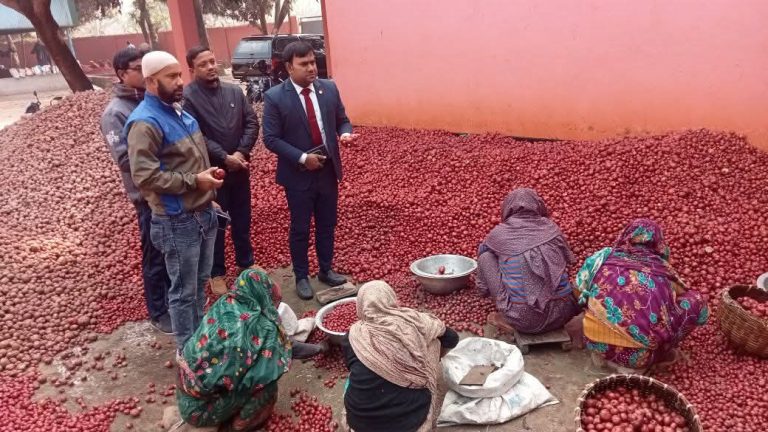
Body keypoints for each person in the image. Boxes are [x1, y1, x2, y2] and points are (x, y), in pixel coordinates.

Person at [125, 50, 224, 350]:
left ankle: (199, 342)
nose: (180, 81)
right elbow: (145, 177)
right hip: (176, 219)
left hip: (202, 212)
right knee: (183, 291)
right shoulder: (144, 123)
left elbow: (190, 163)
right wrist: (196, 182)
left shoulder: (181, 112)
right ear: (151, 81)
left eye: (180, 74)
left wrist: (208, 194)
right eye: (172, 77)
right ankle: (188, 352)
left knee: (199, 283)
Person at [263, 41, 359, 300]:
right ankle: (302, 276)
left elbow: (342, 119)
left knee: (327, 223)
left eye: (312, 62)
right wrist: (303, 158)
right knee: (301, 228)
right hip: (298, 176)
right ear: (288, 67)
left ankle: (326, 270)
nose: (311, 68)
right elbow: (270, 138)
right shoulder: (275, 98)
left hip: (327, 171)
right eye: (303, 64)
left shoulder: (328, 88)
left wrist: (346, 134)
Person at [100, 47, 172, 334]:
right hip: (147, 197)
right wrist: (170, 163)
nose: (144, 72)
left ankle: (173, 301)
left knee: (170, 252)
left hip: (169, 190)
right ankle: (159, 311)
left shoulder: (153, 102)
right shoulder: (115, 113)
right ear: (121, 74)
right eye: (137, 68)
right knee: (154, 255)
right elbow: (126, 160)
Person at [576, 218, 709, 373]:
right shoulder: (662, 269)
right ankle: (653, 345)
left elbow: (578, 290)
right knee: (697, 301)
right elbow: (685, 295)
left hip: (594, 342)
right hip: (639, 357)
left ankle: (608, 342)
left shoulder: (601, 257)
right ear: (658, 243)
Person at [183, 46, 260, 296]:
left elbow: (251, 121)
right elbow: (197, 136)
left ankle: (246, 263)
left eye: (213, 61)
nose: (211, 67)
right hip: (211, 174)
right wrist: (225, 157)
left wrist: (241, 152)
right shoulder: (188, 99)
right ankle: (216, 273)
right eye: (203, 64)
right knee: (215, 223)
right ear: (192, 69)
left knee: (242, 219)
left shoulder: (234, 91)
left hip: (240, 169)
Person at [175, 269, 292, 431]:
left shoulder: (225, 303)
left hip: (185, 397)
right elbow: (265, 372)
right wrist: (319, 348)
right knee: (267, 387)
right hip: (200, 410)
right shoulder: (259, 328)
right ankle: (234, 427)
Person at [342, 281, 459, 432]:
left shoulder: (353, 336)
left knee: (357, 370)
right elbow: (452, 338)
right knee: (434, 341)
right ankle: (420, 375)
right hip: (412, 426)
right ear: (391, 299)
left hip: (358, 426)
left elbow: (352, 367)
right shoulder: (414, 322)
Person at [476, 188, 580, 335]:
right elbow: (568, 260)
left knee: (485, 256)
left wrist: (483, 289)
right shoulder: (552, 229)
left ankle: (506, 315)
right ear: (537, 205)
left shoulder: (500, 234)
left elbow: (483, 251)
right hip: (563, 313)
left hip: (524, 320)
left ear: (508, 207)